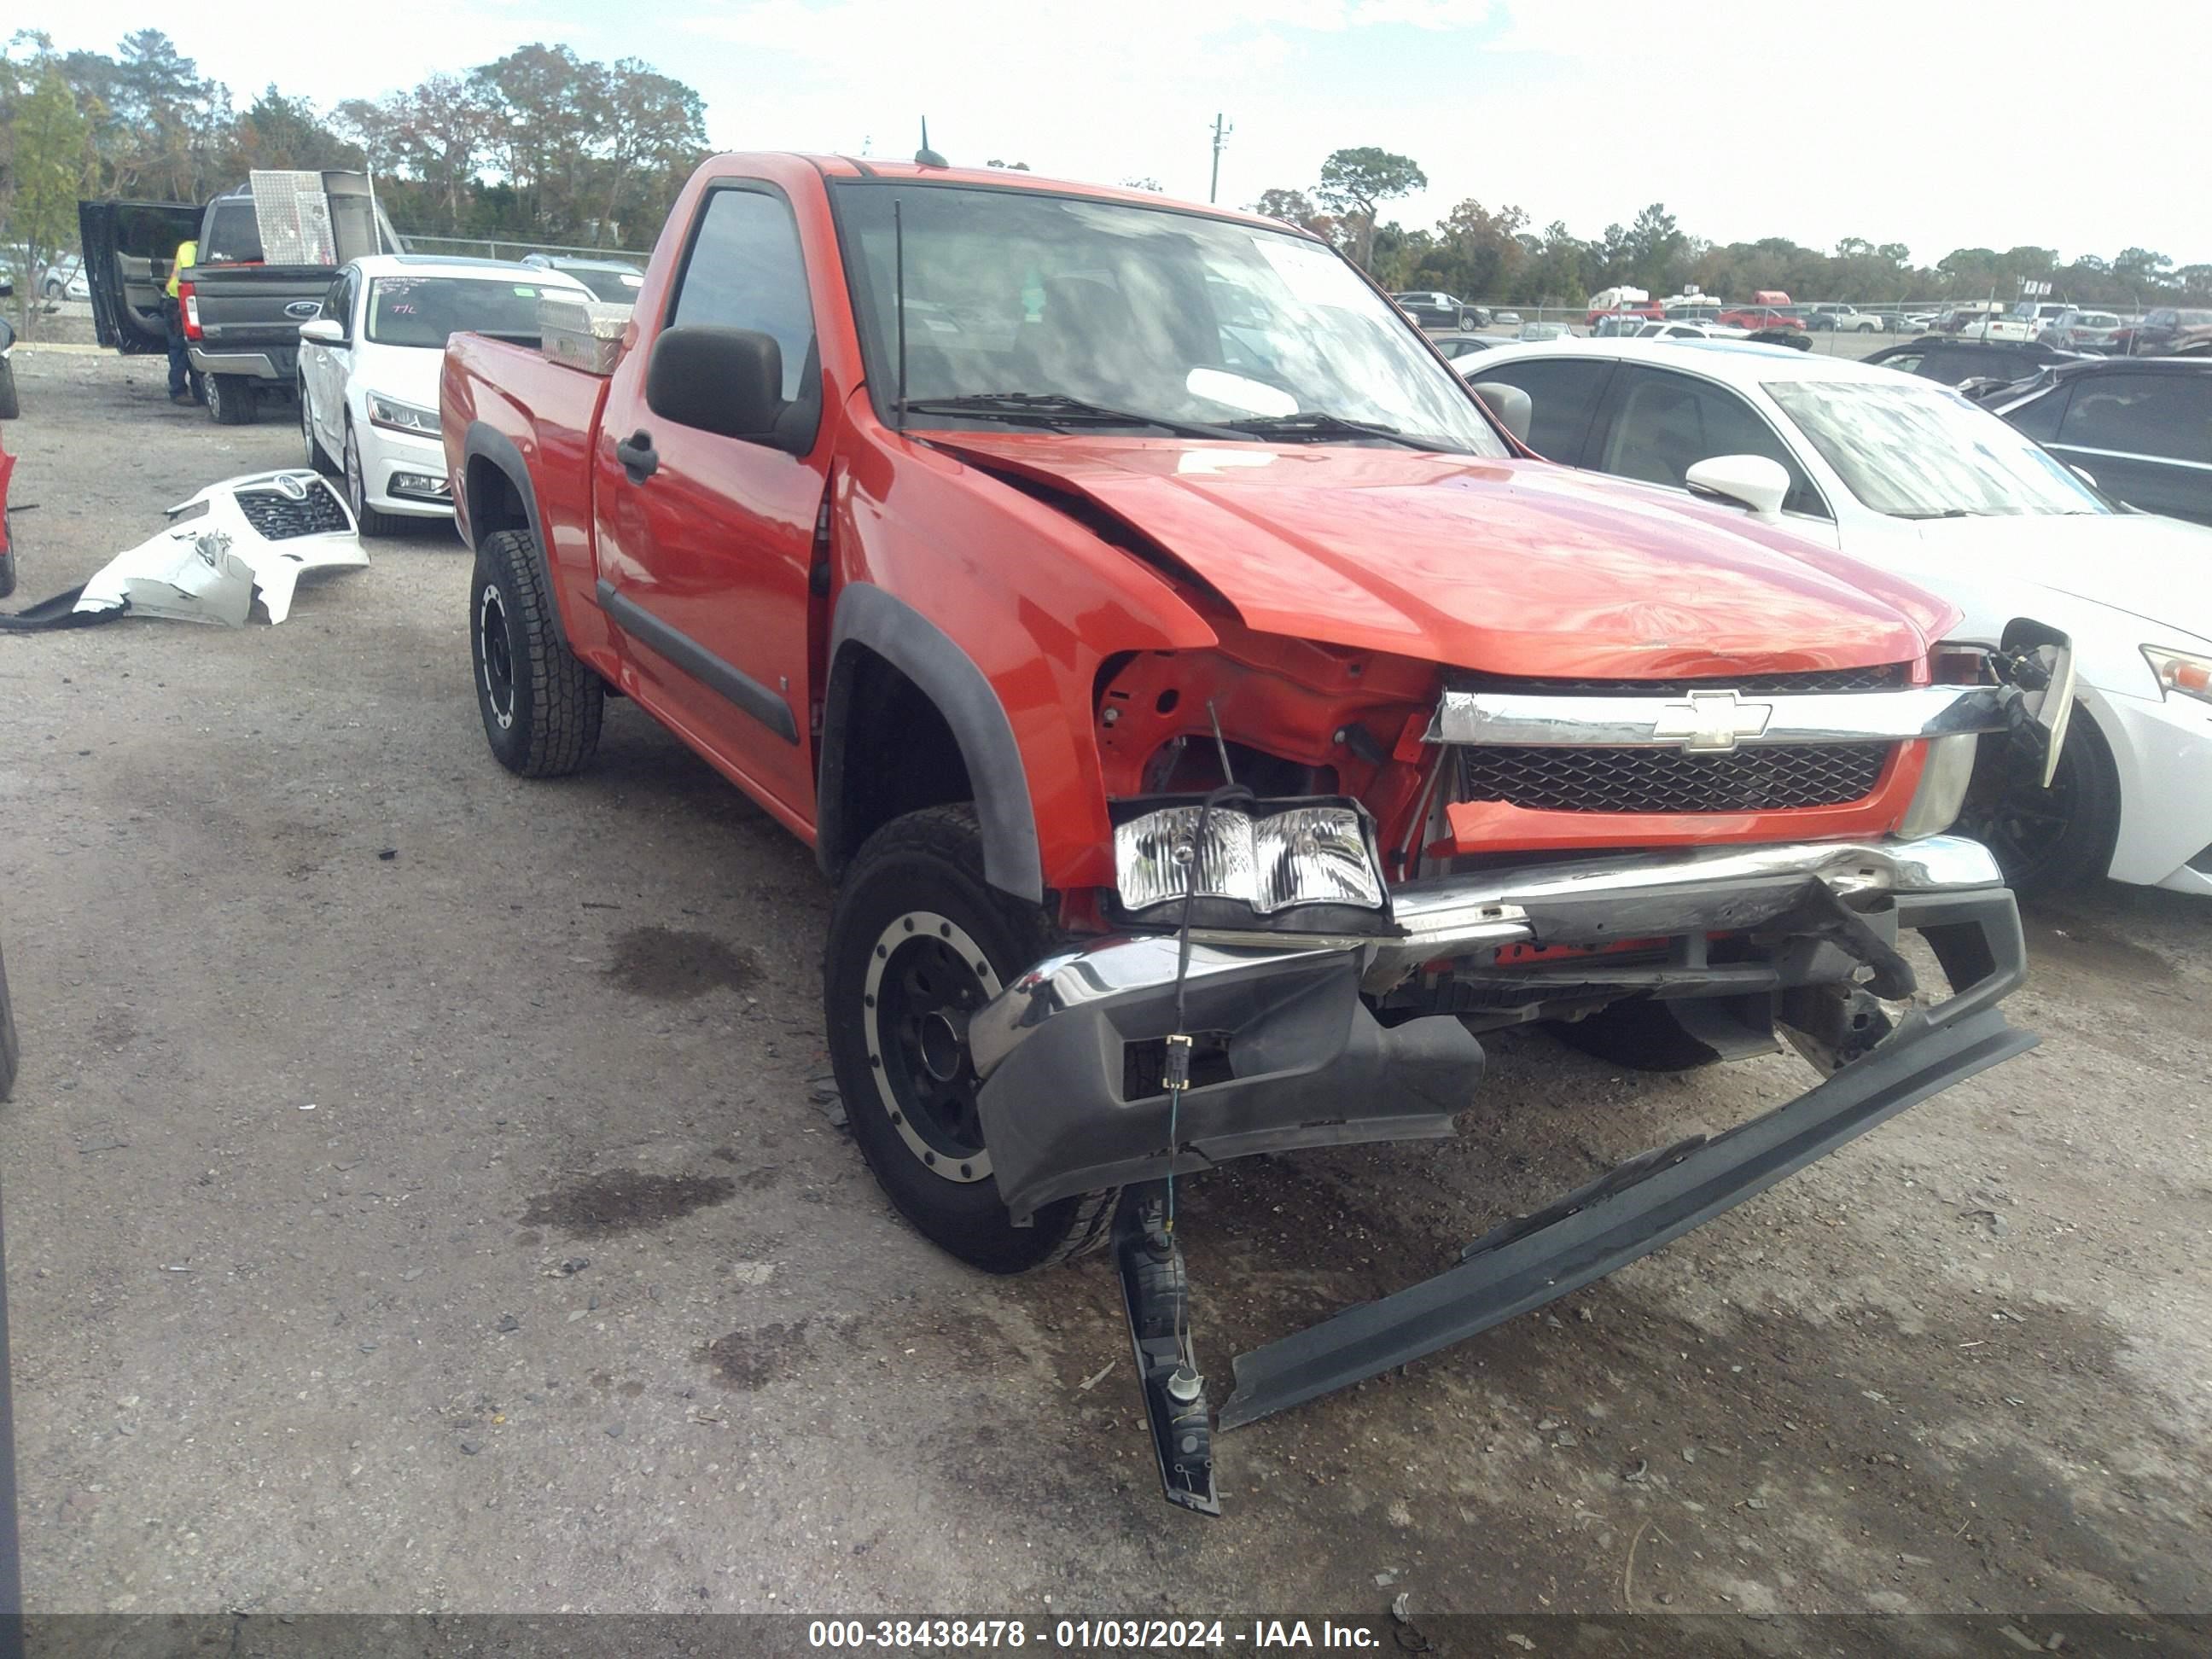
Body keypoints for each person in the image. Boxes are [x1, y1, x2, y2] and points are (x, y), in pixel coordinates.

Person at [163, 234, 198, 405]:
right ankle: (178, 391)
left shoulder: (193, 248)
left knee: (193, 348)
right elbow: (193, 273)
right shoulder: (189, 248)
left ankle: (199, 392)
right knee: (180, 349)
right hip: (177, 304)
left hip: (186, 301)